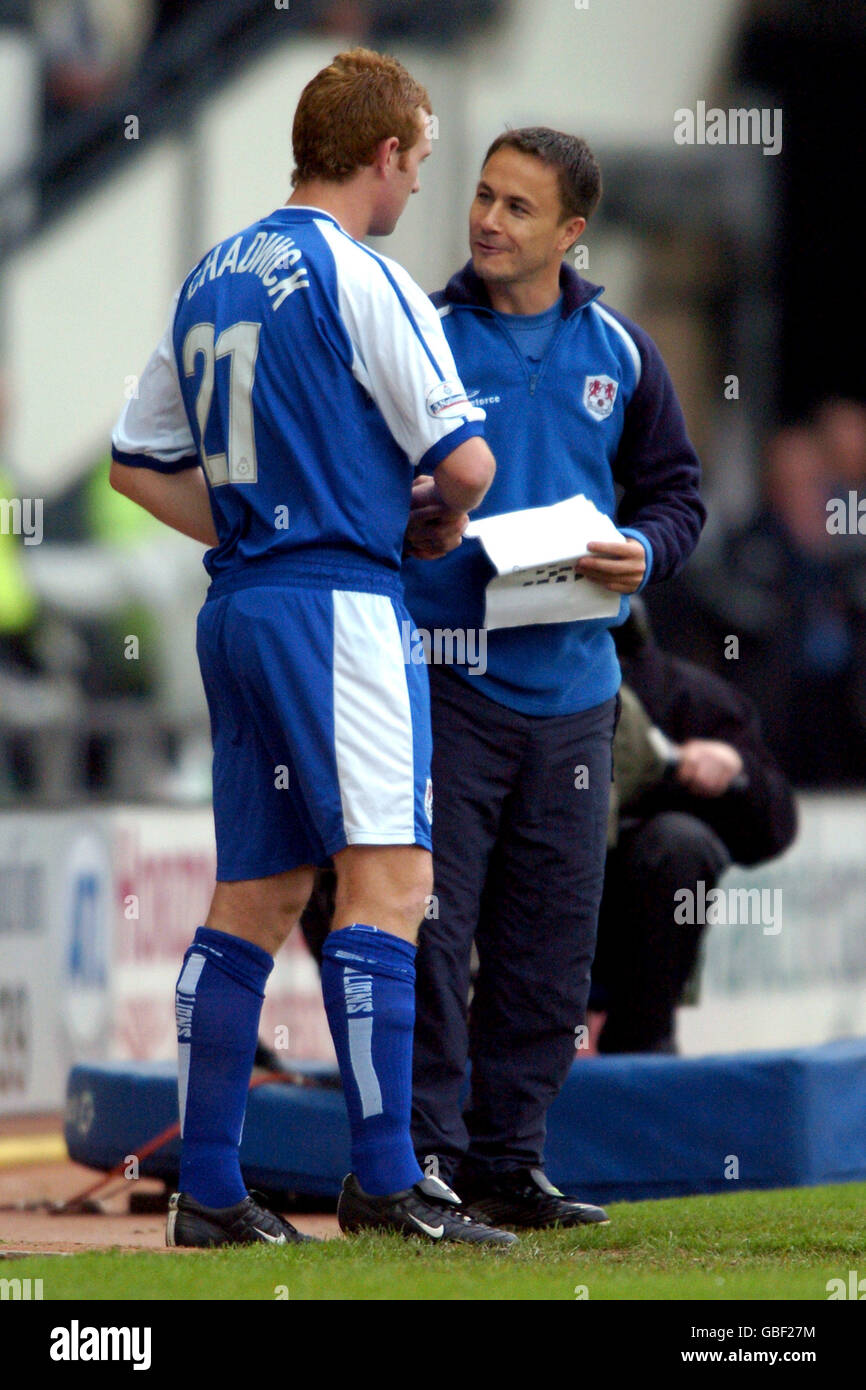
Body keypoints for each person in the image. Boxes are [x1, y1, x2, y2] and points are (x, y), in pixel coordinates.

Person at [109, 48, 513, 1248]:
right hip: (338, 602)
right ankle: (387, 1181)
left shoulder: (211, 273)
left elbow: (135, 462)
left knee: (257, 895)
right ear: (384, 155)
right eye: (420, 165)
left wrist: (245, 521)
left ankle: (212, 1192)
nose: (417, 190)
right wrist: (413, 512)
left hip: (238, 605)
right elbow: (467, 466)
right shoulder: (361, 272)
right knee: (391, 886)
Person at [400, 128, 706, 1227]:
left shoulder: (619, 350)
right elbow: (361, 485)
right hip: (447, 681)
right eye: (481, 196)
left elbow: (678, 495)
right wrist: (416, 526)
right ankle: (422, 1159)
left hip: (576, 695)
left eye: (517, 206)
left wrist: (645, 549)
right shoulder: (423, 335)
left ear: (570, 231)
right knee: (433, 932)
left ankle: (507, 1160)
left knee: (547, 944)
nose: (486, 218)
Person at [588, 601, 797, 1055]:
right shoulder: (494, 683)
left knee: (680, 844)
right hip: (517, 909)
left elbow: (776, 826)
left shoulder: (687, 696)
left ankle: (643, 1047)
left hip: (616, 927)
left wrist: (734, 773)